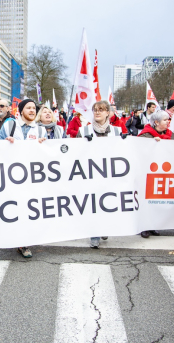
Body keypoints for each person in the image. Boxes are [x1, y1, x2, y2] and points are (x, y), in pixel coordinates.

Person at [0, 99, 46, 258]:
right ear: (21, 110)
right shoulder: (10, 126)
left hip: (31, 176)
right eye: (29, 108)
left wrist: (42, 145)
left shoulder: (40, 130)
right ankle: (14, 237)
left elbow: (47, 155)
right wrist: (6, 143)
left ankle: (24, 243)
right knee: (14, 207)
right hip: (12, 175)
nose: (32, 110)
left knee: (28, 208)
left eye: (34, 108)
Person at [76, 100, 124, 248]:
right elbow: (75, 153)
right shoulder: (84, 131)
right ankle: (95, 234)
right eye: (95, 110)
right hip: (90, 174)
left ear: (108, 113)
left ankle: (104, 227)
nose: (97, 112)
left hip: (110, 174)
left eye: (101, 110)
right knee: (93, 204)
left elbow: (124, 151)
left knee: (108, 202)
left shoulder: (117, 131)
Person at [137, 110, 174, 238]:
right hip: (147, 173)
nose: (168, 122)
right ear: (156, 122)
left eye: (168, 120)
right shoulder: (146, 136)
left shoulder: (171, 135)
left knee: (157, 200)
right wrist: (151, 145)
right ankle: (144, 226)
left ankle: (153, 225)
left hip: (163, 173)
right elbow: (139, 151)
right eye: (165, 120)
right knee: (146, 200)